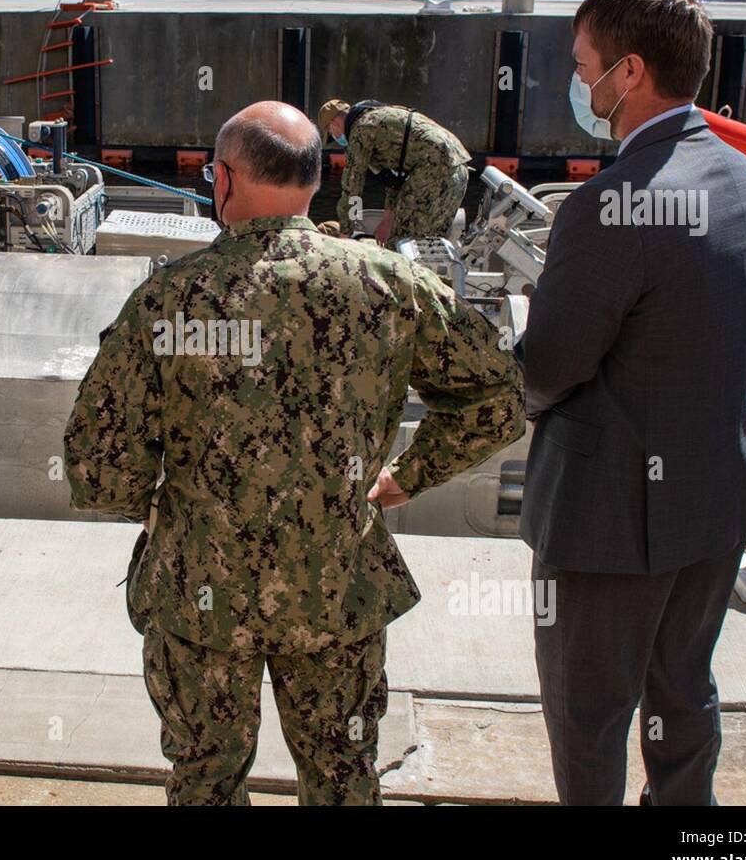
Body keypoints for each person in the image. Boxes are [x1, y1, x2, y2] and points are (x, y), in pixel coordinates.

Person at [65, 101, 524, 805]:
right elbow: (495, 395)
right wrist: (409, 475)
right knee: (342, 780)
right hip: (337, 595)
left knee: (204, 783)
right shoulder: (388, 285)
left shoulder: (169, 301)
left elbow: (97, 462)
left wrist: (160, 510)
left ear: (222, 180)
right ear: (316, 180)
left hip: (199, 599)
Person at [515, 0, 746, 805]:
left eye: (582, 64)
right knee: (682, 696)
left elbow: (550, 365)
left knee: (588, 717)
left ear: (627, 75)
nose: (576, 80)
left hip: (610, 525)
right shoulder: (742, 178)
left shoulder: (609, 204)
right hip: (718, 498)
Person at [317, 98, 471, 245]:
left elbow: (352, 188)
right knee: (432, 241)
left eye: (331, 135)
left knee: (401, 242)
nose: (336, 138)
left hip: (434, 167)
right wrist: (387, 219)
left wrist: (345, 233)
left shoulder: (360, 130)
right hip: (459, 166)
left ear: (333, 124)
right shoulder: (378, 116)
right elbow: (393, 179)